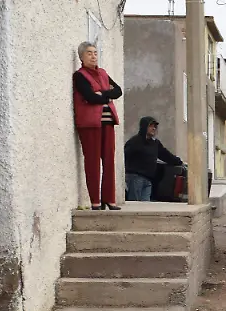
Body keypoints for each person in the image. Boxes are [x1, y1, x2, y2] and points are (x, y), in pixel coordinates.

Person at [73, 42, 123, 211]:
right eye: (89, 53)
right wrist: (104, 96)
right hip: (90, 125)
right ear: (81, 57)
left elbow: (118, 91)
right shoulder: (79, 75)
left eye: (95, 53)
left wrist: (102, 94)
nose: (93, 56)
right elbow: (89, 97)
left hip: (108, 122)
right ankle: (95, 201)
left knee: (109, 161)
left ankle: (109, 199)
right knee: (93, 162)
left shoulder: (102, 73)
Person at [124, 116, 183, 202]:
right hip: (135, 178)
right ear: (144, 127)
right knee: (135, 204)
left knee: (146, 206)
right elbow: (124, 156)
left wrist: (178, 161)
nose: (154, 128)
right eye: (151, 126)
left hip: (148, 180)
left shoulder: (155, 143)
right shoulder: (134, 142)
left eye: (155, 126)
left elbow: (165, 155)